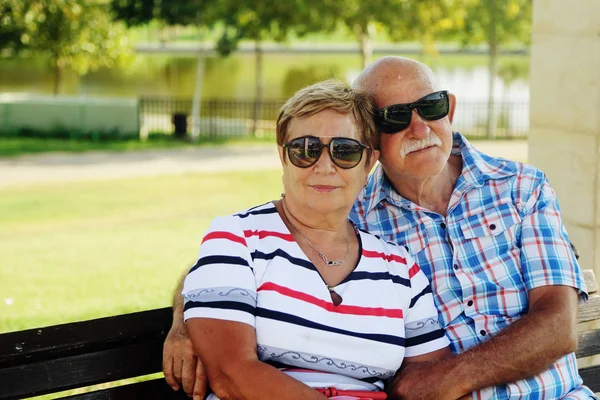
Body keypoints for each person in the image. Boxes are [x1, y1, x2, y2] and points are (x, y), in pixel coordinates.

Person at [163, 57, 592, 399]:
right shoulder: (351, 211)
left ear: (451, 109)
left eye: (432, 106)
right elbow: (239, 250)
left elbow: (557, 325)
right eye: (396, 117)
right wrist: (186, 319)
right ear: (374, 145)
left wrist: (442, 381)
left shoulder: (521, 188)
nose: (420, 128)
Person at [175, 79, 450, 400]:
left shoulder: (400, 268)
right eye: (304, 149)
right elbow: (232, 375)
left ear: (369, 163)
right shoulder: (238, 240)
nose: (323, 166)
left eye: (344, 151)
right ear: (282, 157)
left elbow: (432, 377)